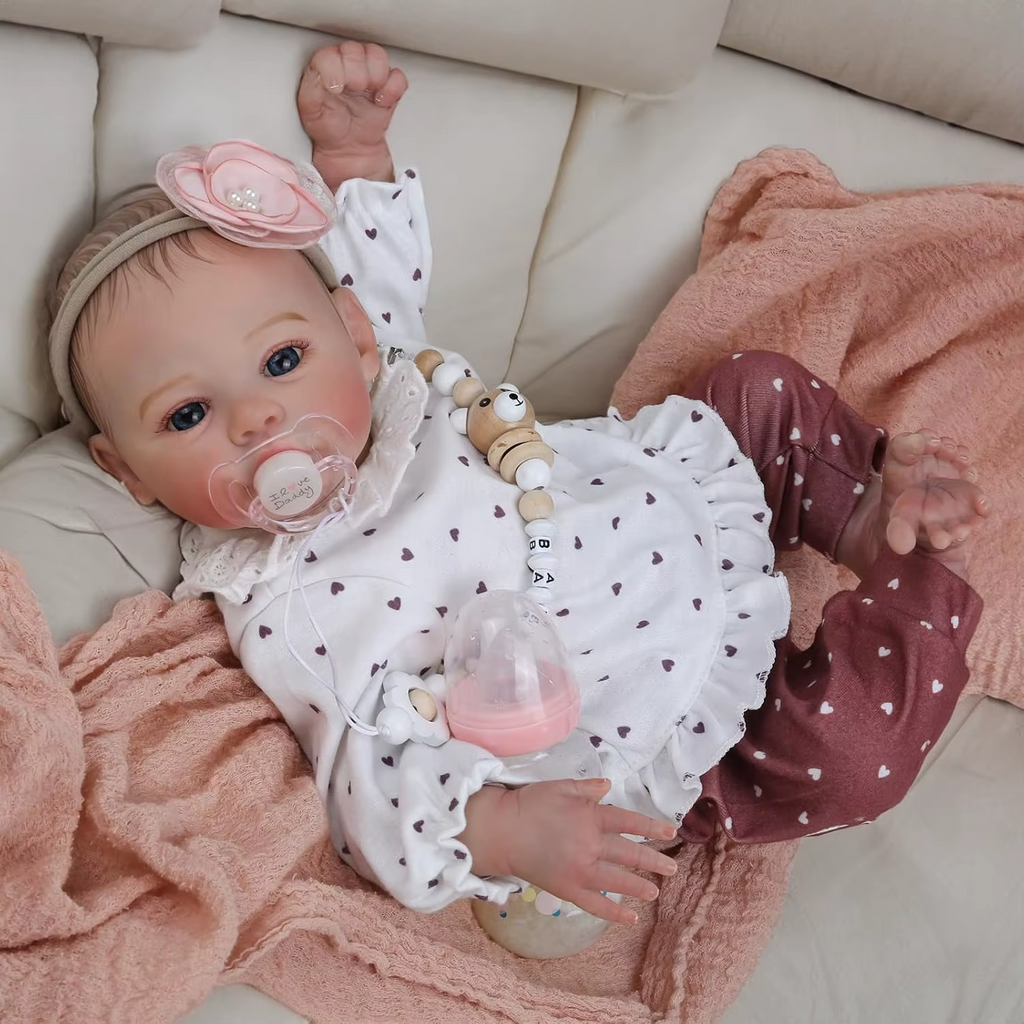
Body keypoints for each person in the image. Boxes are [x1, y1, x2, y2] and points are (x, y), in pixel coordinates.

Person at [47, 41, 989, 926]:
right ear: (126, 472)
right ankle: (921, 585)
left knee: (756, 388)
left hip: (660, 501)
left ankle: (867, 512)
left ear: (352, 336)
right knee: (850, 761)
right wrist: (499, 827)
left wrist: (354, 152)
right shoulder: (285, 606)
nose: (259, 420)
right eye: (187, 415)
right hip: (647, 711)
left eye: (283, 360)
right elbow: (362, 773)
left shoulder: (391, 374)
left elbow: (376, 274)